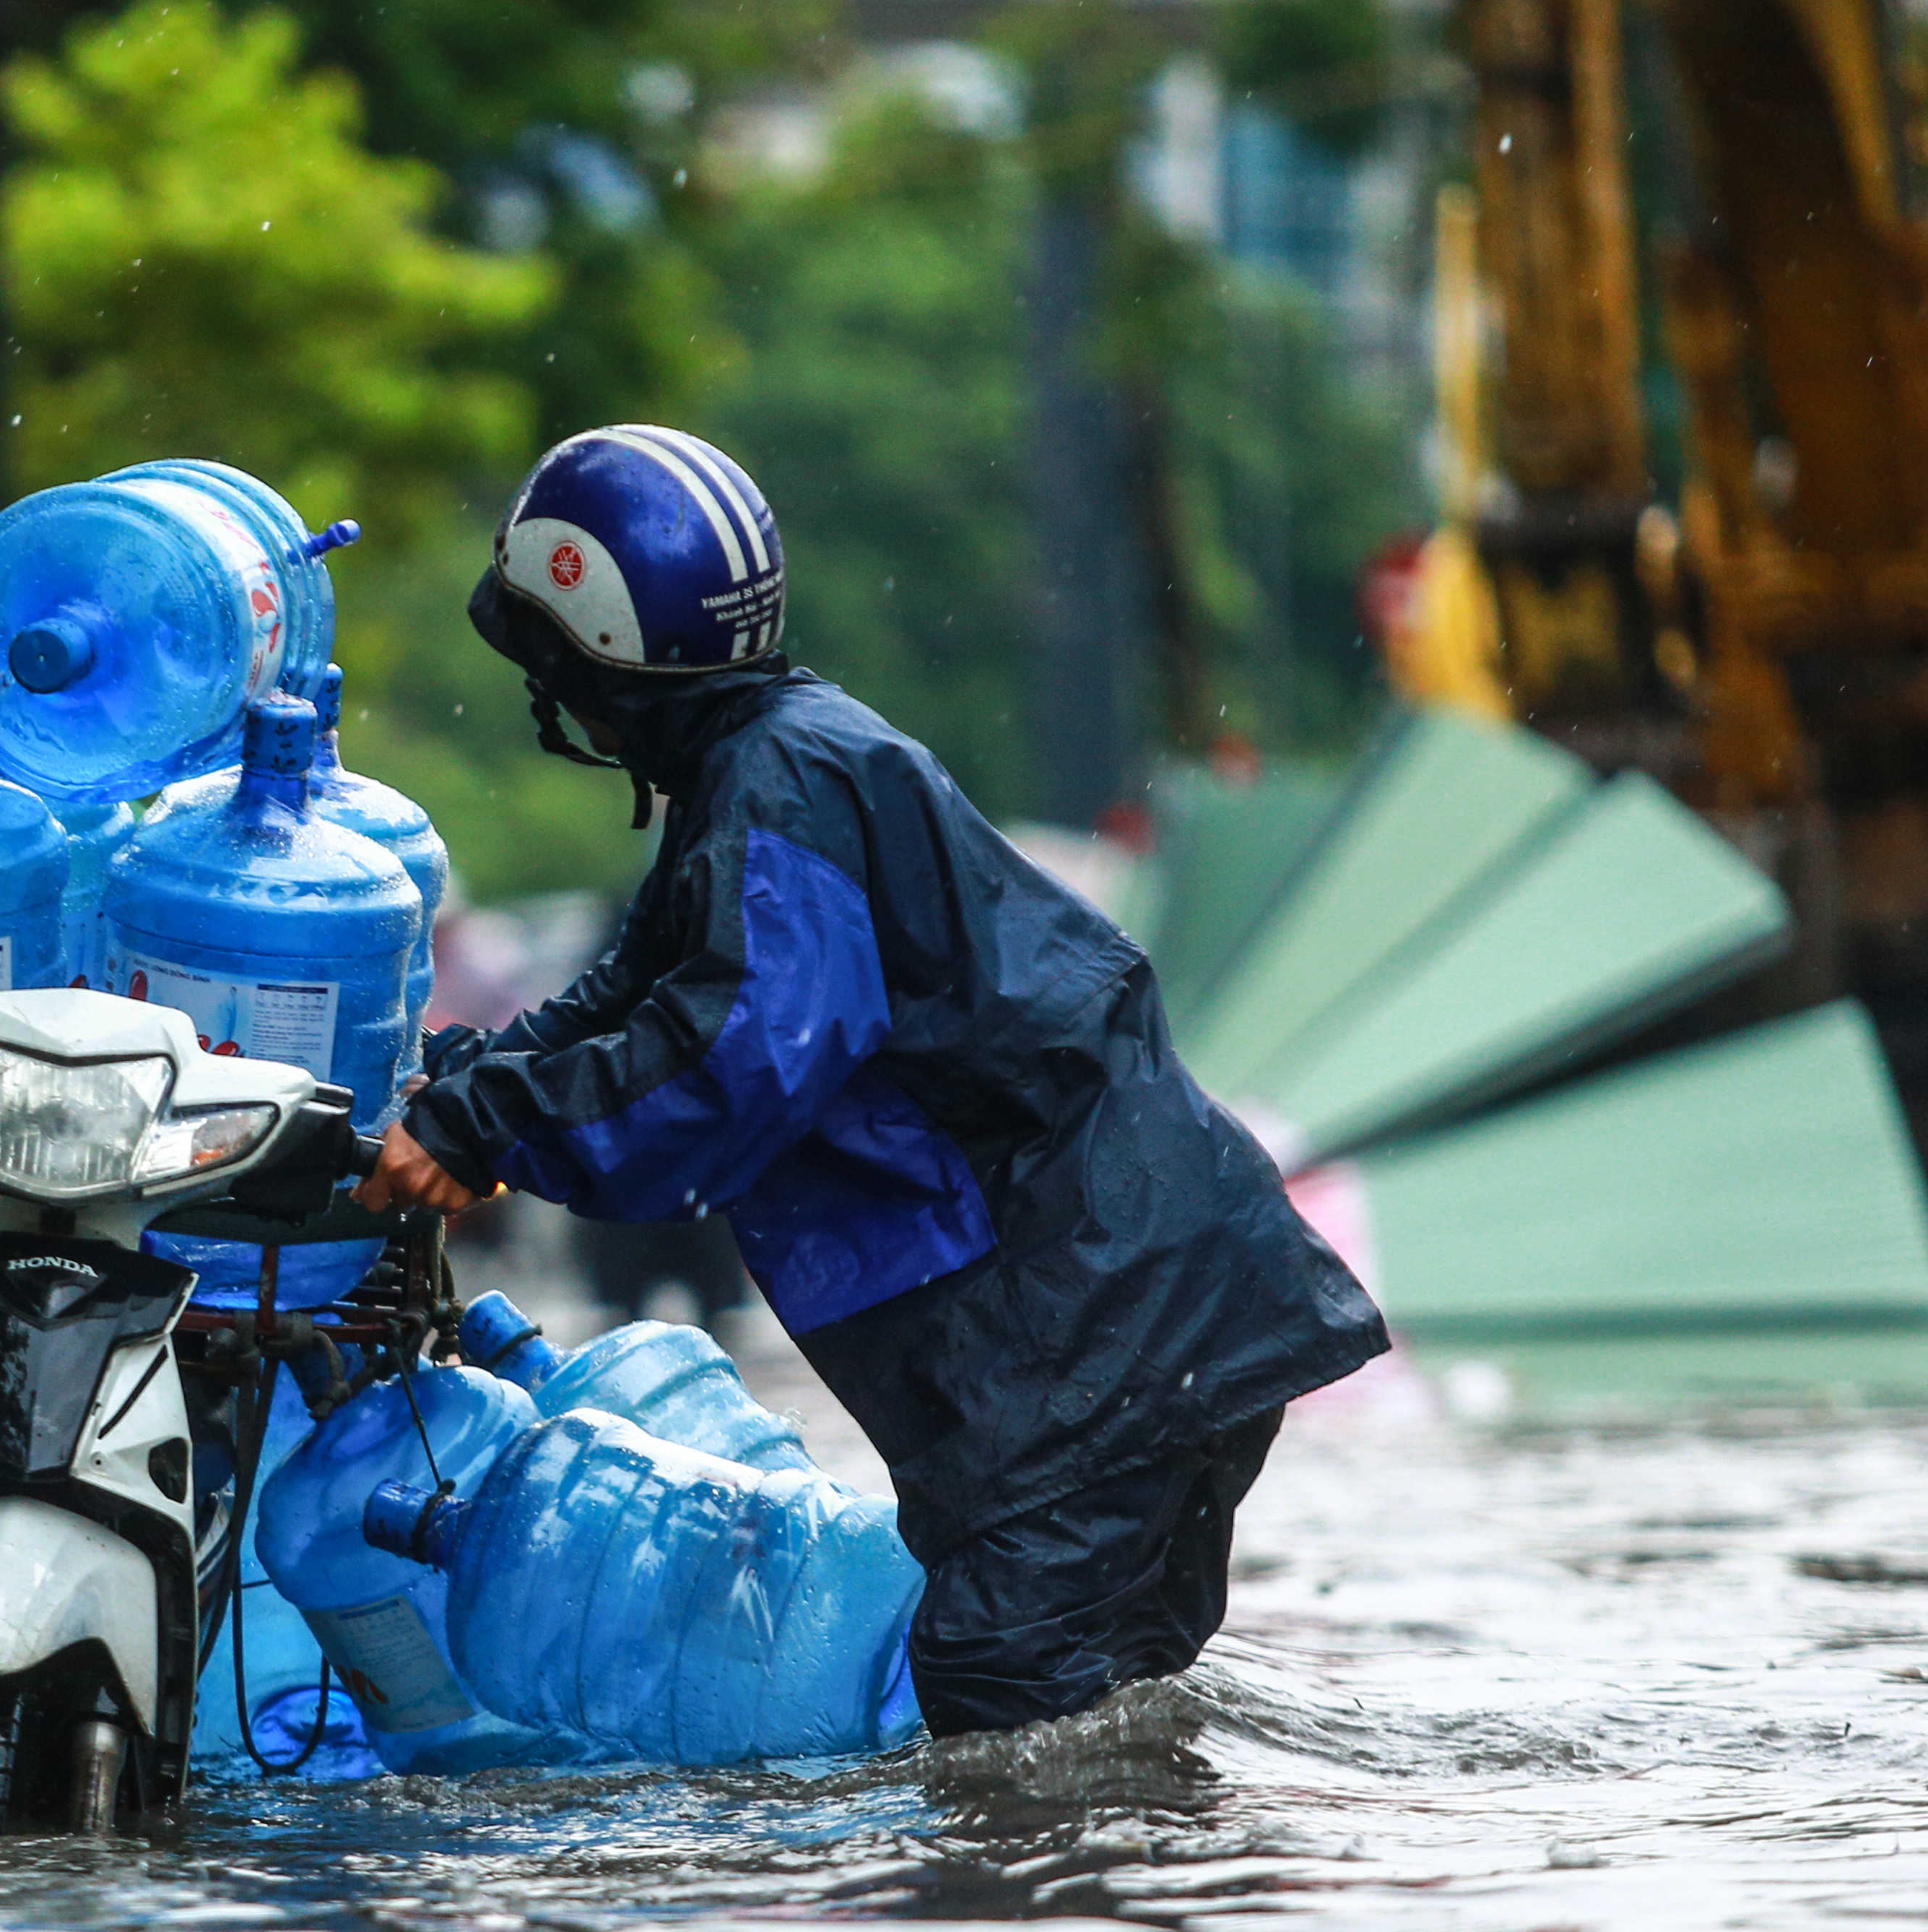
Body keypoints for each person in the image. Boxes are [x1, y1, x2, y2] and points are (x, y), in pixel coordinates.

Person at [357, 426, 1384, 1736]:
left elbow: (737, 1060)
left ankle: (1072, 1931)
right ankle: (1155, 1918)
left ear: (594, 661)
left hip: (1102, 1333)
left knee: (1003, 1707)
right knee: (1098, 1723)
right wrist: (454, 1086)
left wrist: (481, 1123)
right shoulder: (772, 768)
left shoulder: (782, 788)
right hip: (1143, 1318)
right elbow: (630, 995)